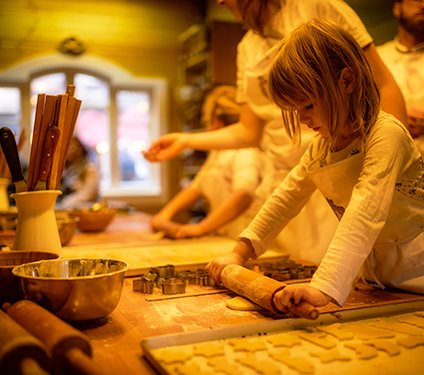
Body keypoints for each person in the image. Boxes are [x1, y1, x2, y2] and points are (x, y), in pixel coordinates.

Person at [143, 0, 408, 263]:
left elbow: (382, 84)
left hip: (341, 176)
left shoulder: (318, 6)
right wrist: (186, 140)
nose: (221, 2)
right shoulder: (246, 47)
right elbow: (249, 131)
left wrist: (390, 158)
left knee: (338, 272)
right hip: (282, 178)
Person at [206, 19, 424, 312]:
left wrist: (324, 287)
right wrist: (239, 253)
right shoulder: (323, 147)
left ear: (346, 81)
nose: (302, 119)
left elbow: (364, 213)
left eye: (307, 105)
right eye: (295, 109)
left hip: (417, 276)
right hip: (378, 280)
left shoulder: (386, 135)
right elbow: (285, 199)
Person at [150, 85, 263, 240]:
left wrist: (201, 228)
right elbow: (196, 188)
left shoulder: (245, 151)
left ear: (215, 121)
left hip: (247, 242)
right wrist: (164, 215)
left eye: (206, 120)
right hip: (225, 240)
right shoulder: (217, 153)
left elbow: (244, 194)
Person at [377, 0, 424, 153]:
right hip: (393, 156)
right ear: (397, 8)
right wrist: (396, 118)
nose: (422, 5)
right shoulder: (378, 57)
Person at [56, 137, 100, 209]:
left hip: (81, 208)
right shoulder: (64, 169)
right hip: (63, 205)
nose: (71, 151)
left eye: (74, 147)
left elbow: (89, 193)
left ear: (81, 150)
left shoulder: (88, 167)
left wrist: (66, 202)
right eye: (69, 147)